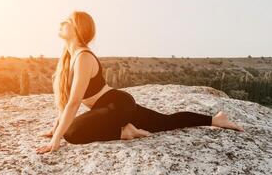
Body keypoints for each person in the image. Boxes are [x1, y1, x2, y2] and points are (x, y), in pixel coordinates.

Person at [36, 11, 244, 154]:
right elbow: (65, 101)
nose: (61, 23)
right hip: (112, 105)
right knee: (165, 122)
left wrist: (56, 140)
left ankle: (124, 132)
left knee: (71, 133)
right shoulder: (70, 57)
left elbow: (73, 102)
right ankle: (216, 120)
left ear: (76, 29)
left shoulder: (83, 57)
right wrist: (56, 127)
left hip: (116, 105)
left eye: (66, 21)